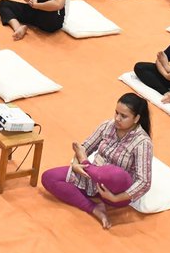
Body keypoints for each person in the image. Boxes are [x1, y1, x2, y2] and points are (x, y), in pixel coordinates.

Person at [41, 94, 153, 230]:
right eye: (116, 113)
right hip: (94, 177)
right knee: (49, 177)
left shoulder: (143, 142)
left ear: (137, 118)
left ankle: (88, 166)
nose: (117, 118)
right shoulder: (108, 126)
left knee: (114, 173)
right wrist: (76, 164)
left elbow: (144, 182)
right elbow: (84, 147)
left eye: (123, 116)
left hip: (116, 190)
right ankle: (95, 208)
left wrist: (114, 198)